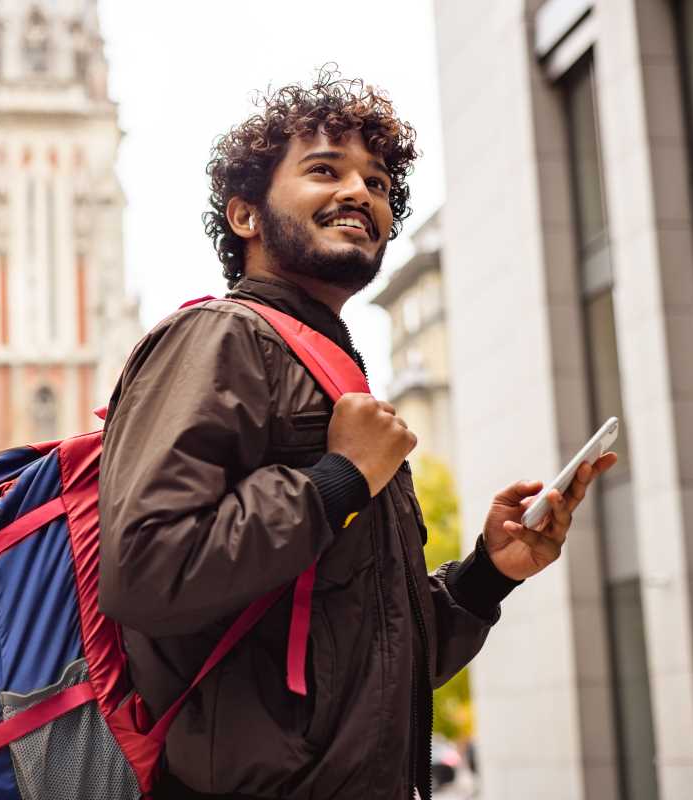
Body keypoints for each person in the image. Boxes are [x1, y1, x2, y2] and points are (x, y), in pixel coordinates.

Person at [97, 69, 616, 799]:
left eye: (377, 182)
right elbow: (147, 569)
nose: (360, 193)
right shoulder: (220, 336)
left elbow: (369, 672)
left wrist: (488, 574)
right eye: (324, 171)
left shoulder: (329, 372)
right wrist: (339, 478)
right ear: (245, 216)